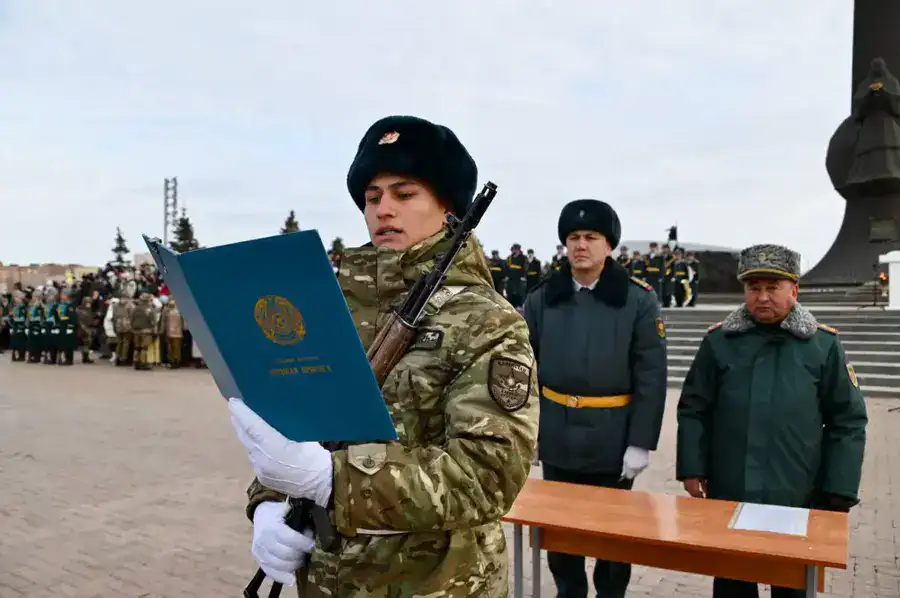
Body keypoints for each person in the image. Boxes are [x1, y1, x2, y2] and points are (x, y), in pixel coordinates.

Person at [228, 115, 540, 597]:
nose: (383, 210)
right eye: (372, 198)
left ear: (448, 208)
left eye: (405, 193)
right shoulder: (334, 310)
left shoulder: (488, 322)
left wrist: (334, 483)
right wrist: (269, 502)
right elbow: (301, 428)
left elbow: (487, 476)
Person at [676, 244, 868, 598]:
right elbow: (693, 408)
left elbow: (848, 421)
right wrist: (692, 468)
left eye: (772, 287)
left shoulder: (822, 347)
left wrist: (839, 491)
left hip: (797, 495)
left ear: (793, 290)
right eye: (753, 288)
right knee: (733, 585)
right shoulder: (719, 343)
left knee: (792, 587)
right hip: (731, 492)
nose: (762, 297)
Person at [522, 199, 667, 598]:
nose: (580, 245)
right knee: (561, 539)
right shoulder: (541, 299)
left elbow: (651, 374)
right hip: (557, 435)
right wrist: (528, 431)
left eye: (591, 237)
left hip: (611, 438)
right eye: (573, 238)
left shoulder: (638, 300)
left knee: (613, 540)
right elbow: (524, 369)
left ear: (609, 246)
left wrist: (640, 442)